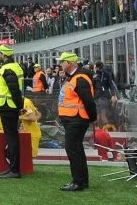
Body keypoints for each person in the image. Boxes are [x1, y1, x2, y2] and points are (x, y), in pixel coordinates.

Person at [56, 52, 97, 192]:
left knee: (73, 149)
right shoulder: (74, 77)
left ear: (69, 63)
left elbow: (89, 101)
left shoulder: (79, 78)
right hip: (74, 119)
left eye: (62, 62)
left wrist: (91, 118)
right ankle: (81, 181)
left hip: (77, 119)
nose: (60, 65)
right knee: (76, 149)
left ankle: (78, 182)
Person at [0, 44, 24, 179]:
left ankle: (14, 169)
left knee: (12, 138)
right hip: (10, 106)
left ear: (3, 55)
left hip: (8, 106)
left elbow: (14, 90)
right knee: (11, 138)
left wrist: (19, 106)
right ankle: (12, 168)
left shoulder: (7, 68)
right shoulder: (14, 67)